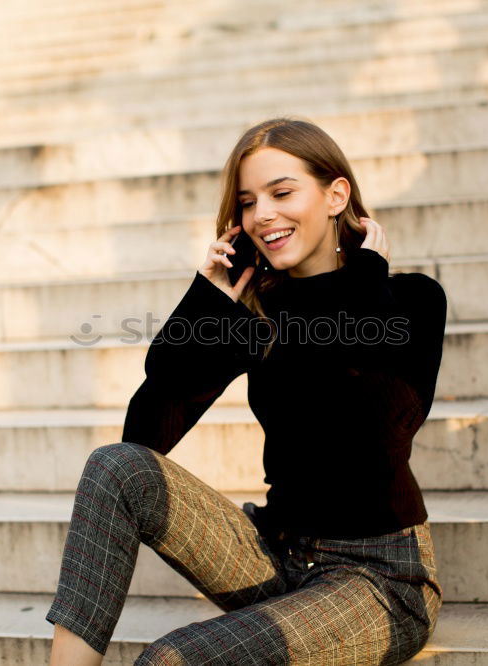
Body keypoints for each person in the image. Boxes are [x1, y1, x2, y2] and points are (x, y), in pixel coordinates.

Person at [47, 118, 447, 665]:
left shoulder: (408, 301)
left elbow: (380, 431)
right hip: (278, 555)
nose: (262, 216)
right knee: (115, 466)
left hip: (378, 580)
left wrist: (359, 285)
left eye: (282, 193)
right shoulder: (259, 315)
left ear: (336, 195)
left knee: (175, 660)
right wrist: (206, 306)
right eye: (247, 202)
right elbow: (145, 435)